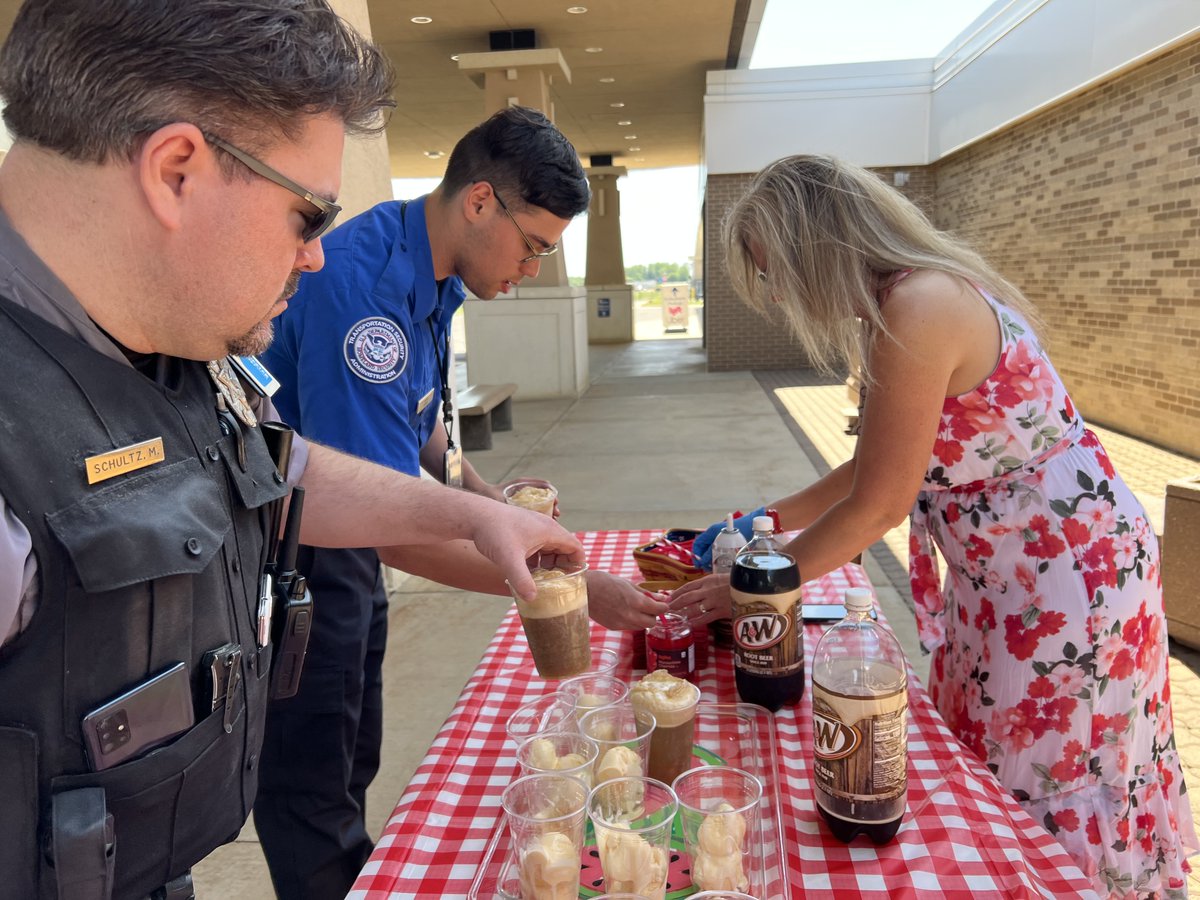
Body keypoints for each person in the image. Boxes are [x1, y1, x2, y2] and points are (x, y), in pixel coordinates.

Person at [0, 3, 584, 899]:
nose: (313, 259)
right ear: (177, 170)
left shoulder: (170, 340)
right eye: (306, 216)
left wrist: (472, 507)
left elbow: (282, 466)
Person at [676, 154, 1197, 897]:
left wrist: (749, 587)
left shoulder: (920, 305)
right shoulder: (903, 302)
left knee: (1046, 778)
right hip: (1012, 581)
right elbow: (872, 469)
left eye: (774, 269)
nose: (779, 293)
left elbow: (879, 504)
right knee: (990, 765)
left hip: (1064, 590)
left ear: (815, 248)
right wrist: (758, 521)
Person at [253, 106, 668, 899]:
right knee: (312, 791)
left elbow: (416, 427)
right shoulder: (367, 295)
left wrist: (492, 500)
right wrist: (573, 595)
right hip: (302, 554)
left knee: (351, 754)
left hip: (343, 551)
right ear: (481, 202)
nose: (535, 269)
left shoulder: (430, 269)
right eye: (534, 246)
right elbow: (383, 526)